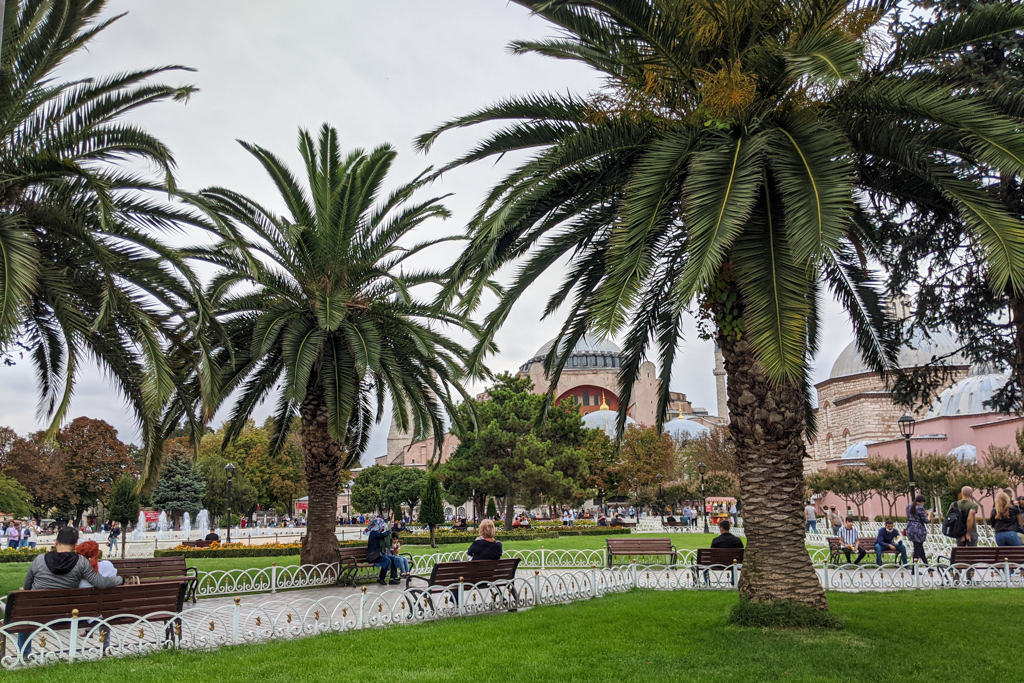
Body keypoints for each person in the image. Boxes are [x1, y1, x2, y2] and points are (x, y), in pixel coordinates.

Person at [367, 517, 399, 585]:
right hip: (373, 555)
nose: (382, 527)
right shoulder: (373, 533)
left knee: (393, 559)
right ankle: (381, 578)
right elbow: (383, 535)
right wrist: (388, 531)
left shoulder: (377, 532)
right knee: (387, 560)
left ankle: (392, 578)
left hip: (378, 554)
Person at [905, 494, 931, 565]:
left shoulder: (909, 506)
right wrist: (929, 514)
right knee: (918, 548)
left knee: (918, 548)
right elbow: (926, 521)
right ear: (922, 502)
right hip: (918, 529)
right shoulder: (920, 508)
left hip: (910, 528)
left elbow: (912, 515)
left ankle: (926, 566)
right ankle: (924, 567)